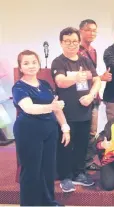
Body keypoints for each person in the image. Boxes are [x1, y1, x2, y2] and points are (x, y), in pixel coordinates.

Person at [13, 50, 70, 206]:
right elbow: (29, 108)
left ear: (38, 64)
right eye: (26, 63)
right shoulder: (18, 87)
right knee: (31, 171)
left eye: (34, 62)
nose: (31, 66)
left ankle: (48, 202)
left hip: (49, 131)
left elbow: (57, 108)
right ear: (20, 67)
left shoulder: (45, 84)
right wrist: (52, 106)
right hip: (28, 132)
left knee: (48, 170)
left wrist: (65, 127)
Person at [51, 27, 101, 192]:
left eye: (74, 41)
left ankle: (79, 173)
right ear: (61, 43)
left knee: (82, 145)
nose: (71, 45)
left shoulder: (85, 60)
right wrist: (76, 78)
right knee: (66, 145)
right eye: (67, 41)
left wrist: (91, 96)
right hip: (66, 114)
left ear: (79, 42)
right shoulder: (58, 62)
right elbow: (60, 82)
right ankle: (65, 176)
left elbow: (97, 80)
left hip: (84, 111)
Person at [79, 19, 103, 171]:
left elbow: (93, 75)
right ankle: (77, 163)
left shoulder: (93, 51)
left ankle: (87, 161)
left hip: (94, 96)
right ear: (80, 31)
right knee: (79, 131)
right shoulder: (76, 51)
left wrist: (101, 78)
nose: (91, 33)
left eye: (94, 30)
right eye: (88, 30)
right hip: (79, 98)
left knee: (92, 132)